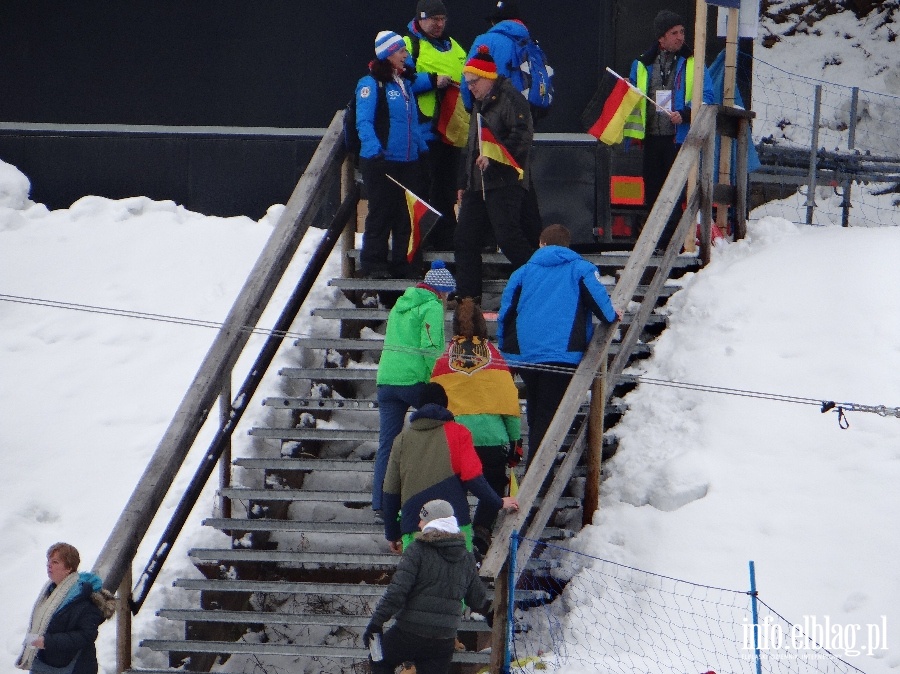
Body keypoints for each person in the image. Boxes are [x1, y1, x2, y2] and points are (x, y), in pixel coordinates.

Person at [497, 224, 620, 467]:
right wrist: (613, 314)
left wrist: (505, 353)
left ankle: (538, 470)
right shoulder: (581, 269)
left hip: (526, 357)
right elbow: (603, 309)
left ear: (541, 244)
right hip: (563, 356)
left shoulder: (521, 273)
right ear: (567, 245)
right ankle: (539, 477)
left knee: (536, 412)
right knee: (547, 416)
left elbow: (505, 315)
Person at [431, 298, 522, 556]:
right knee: (493, 485)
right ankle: (481, 533)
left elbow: (434, 399)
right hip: (492, 439)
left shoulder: (443, 359)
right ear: (484, 325)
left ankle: (457, 535)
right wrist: (515, 441)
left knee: (454, 489)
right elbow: (509, 405)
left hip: (454, 440)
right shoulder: (495, 357)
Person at [381, 382, 518, 552]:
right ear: (445, 404)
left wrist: (392, 533)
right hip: (455, 524)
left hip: (415, 524)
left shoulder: (401, 439)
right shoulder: (459, 433)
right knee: (458, 575)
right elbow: (473, 477)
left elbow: (390, 491)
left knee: (418, 576)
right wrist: (497, 501)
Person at [363, 499, 490, 674]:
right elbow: (477, 598)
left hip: (409, 631)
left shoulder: (417, 550)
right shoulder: (466, 557)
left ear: (433, 523)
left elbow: (397, 592)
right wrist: (489, 610)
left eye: (423, 519)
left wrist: (376, 623)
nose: (419, 523)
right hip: (443, 638)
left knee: (379, 658)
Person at [624, 10, 715, 251]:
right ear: (661, 38)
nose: (680, 37)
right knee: (652, 194)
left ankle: (672, 245)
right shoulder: (642, 64)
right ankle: (653, 244)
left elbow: (707, 96)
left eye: (682, 32)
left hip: (679, 140)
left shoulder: (694, 62)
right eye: (674, 33)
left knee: (676, 194)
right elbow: (631, 96)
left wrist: (684, 114)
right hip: (651, 139)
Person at [372, 260, 456, 519]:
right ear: (441, 291)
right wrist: (437, 376)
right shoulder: (431, 306)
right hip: (413, 381)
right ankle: (436, 494)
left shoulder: (401, 303)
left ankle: (381, 503)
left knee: (387, 443)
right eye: (448, 295)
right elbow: (429, 347)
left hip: (387, 380)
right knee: (440, 429)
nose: (447, 300)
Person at [455, 46, 536, 302]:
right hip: (477, 185)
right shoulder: (480, 104)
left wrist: (495, 158)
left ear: (488, 77)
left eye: (473, 81)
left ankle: (538, 282)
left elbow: (523, 136)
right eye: (467, 82)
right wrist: (464, 182)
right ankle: (469, 299)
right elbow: (471, 147)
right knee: (464, 239)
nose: (469, 87)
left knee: (508, 236)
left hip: (504, 181)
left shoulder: (510, 98)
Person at [355, 30, 429, 280]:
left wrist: (420, 146)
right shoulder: (371, 84)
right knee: (381, 210)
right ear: (387, 54)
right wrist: (374, 149)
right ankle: (373, 263)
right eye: (400, 51)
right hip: (381, 159)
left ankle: (403, 262)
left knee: (406, 214)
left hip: (408, 160)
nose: (405, 55)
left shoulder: (405, 83)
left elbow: (411, 122)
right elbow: (363, 121)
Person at [404, 0, 468, 251]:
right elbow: (400, 81)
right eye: (433, 19)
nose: (439, 24)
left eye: (443, 19)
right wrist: (431, 80)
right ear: (420, 19)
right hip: (424, 131)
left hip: (452, 131)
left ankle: (446, 240)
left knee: (447, 189)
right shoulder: (410, 45)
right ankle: (426, 242)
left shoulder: (456, 48)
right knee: (426, 188)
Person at [16, 543, 115, 674]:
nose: (49, 565)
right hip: (43, 663)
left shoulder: (85, 596)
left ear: (68, 568)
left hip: (73, 667)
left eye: (55, 562)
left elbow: (86, 635)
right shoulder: (48, 593)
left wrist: (48, 641)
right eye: (48, 561)